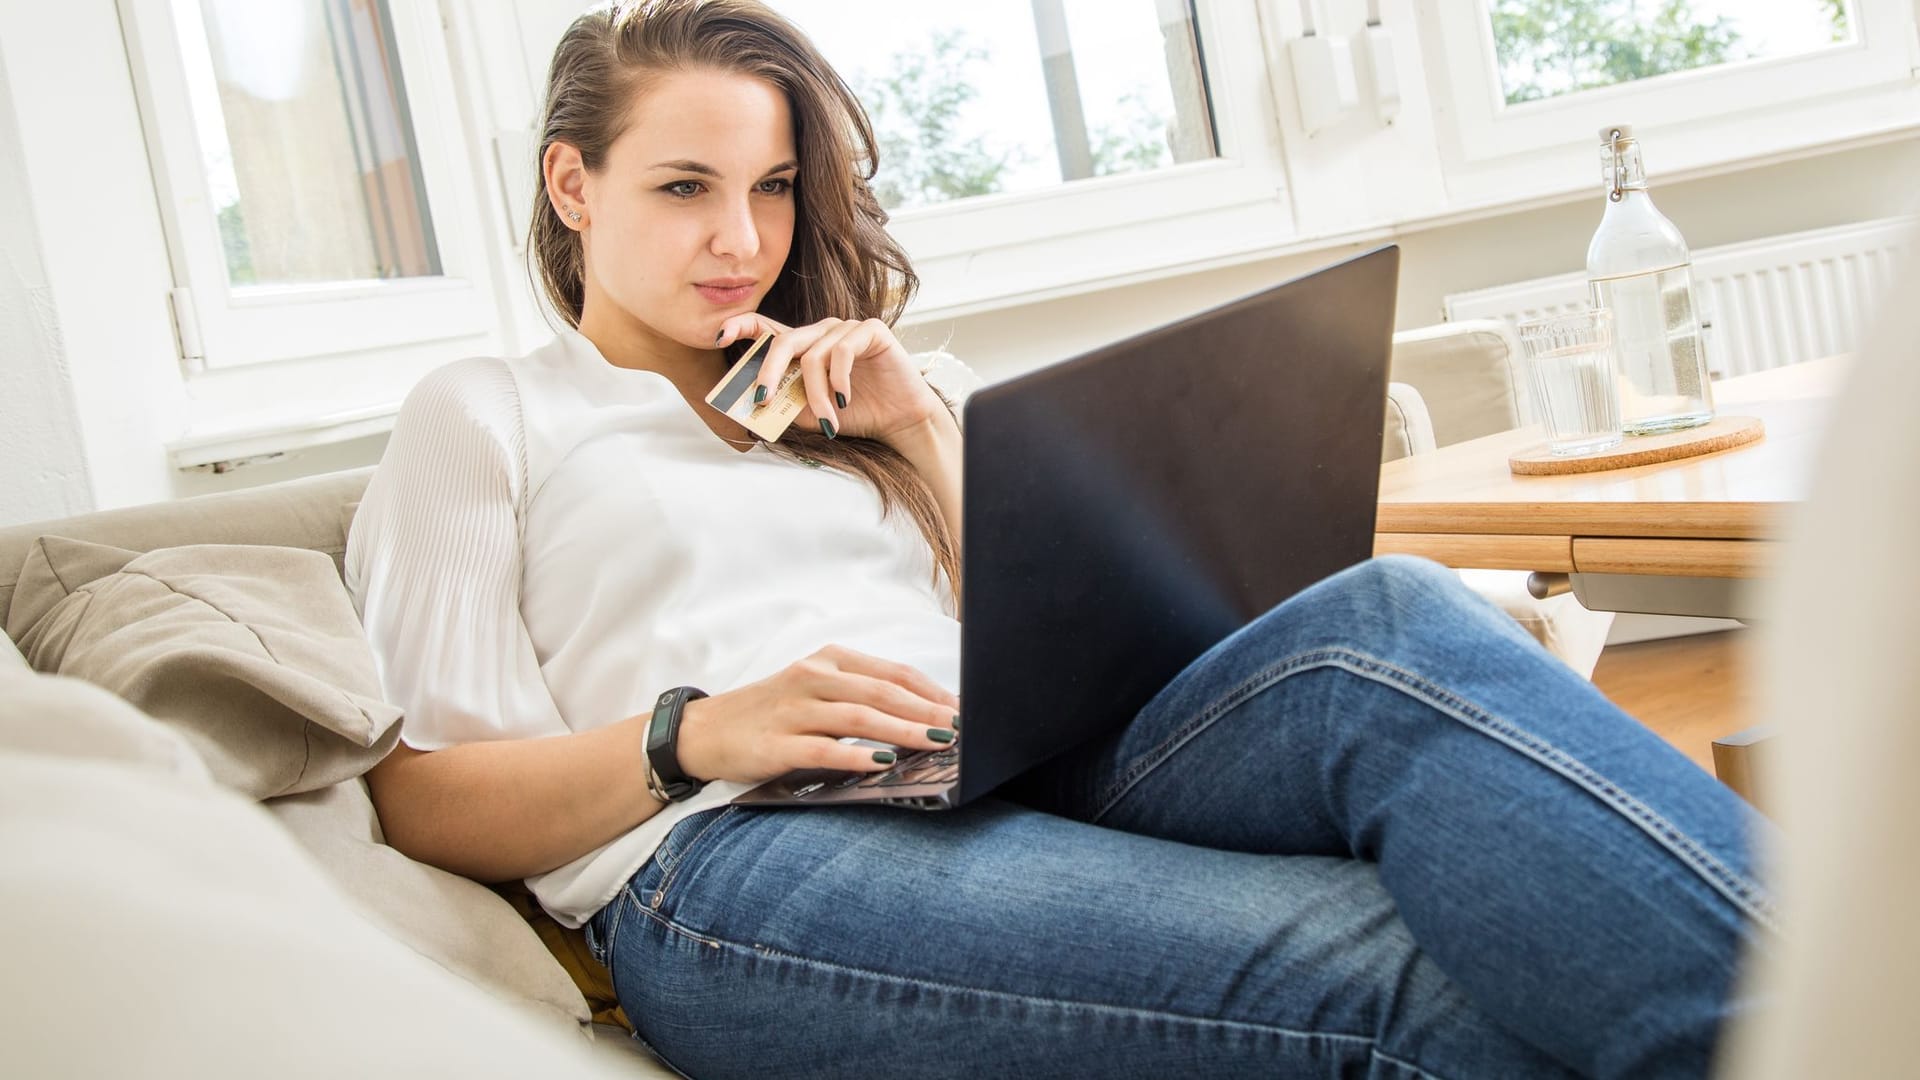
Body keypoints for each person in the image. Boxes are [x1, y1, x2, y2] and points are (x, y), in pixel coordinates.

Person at [345, 3, 1775, 1076]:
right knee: (1397, 962)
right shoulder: (487, 417)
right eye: (684, 187)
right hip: (739, 857)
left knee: (1385, 617)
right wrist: (697, 732)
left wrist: (917, 435)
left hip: (1014, 759)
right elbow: (422, 797)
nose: (742, 238)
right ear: (571, 184)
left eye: (774, 187)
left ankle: (1854, 1000)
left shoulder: (845, 392)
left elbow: (1039, 628)